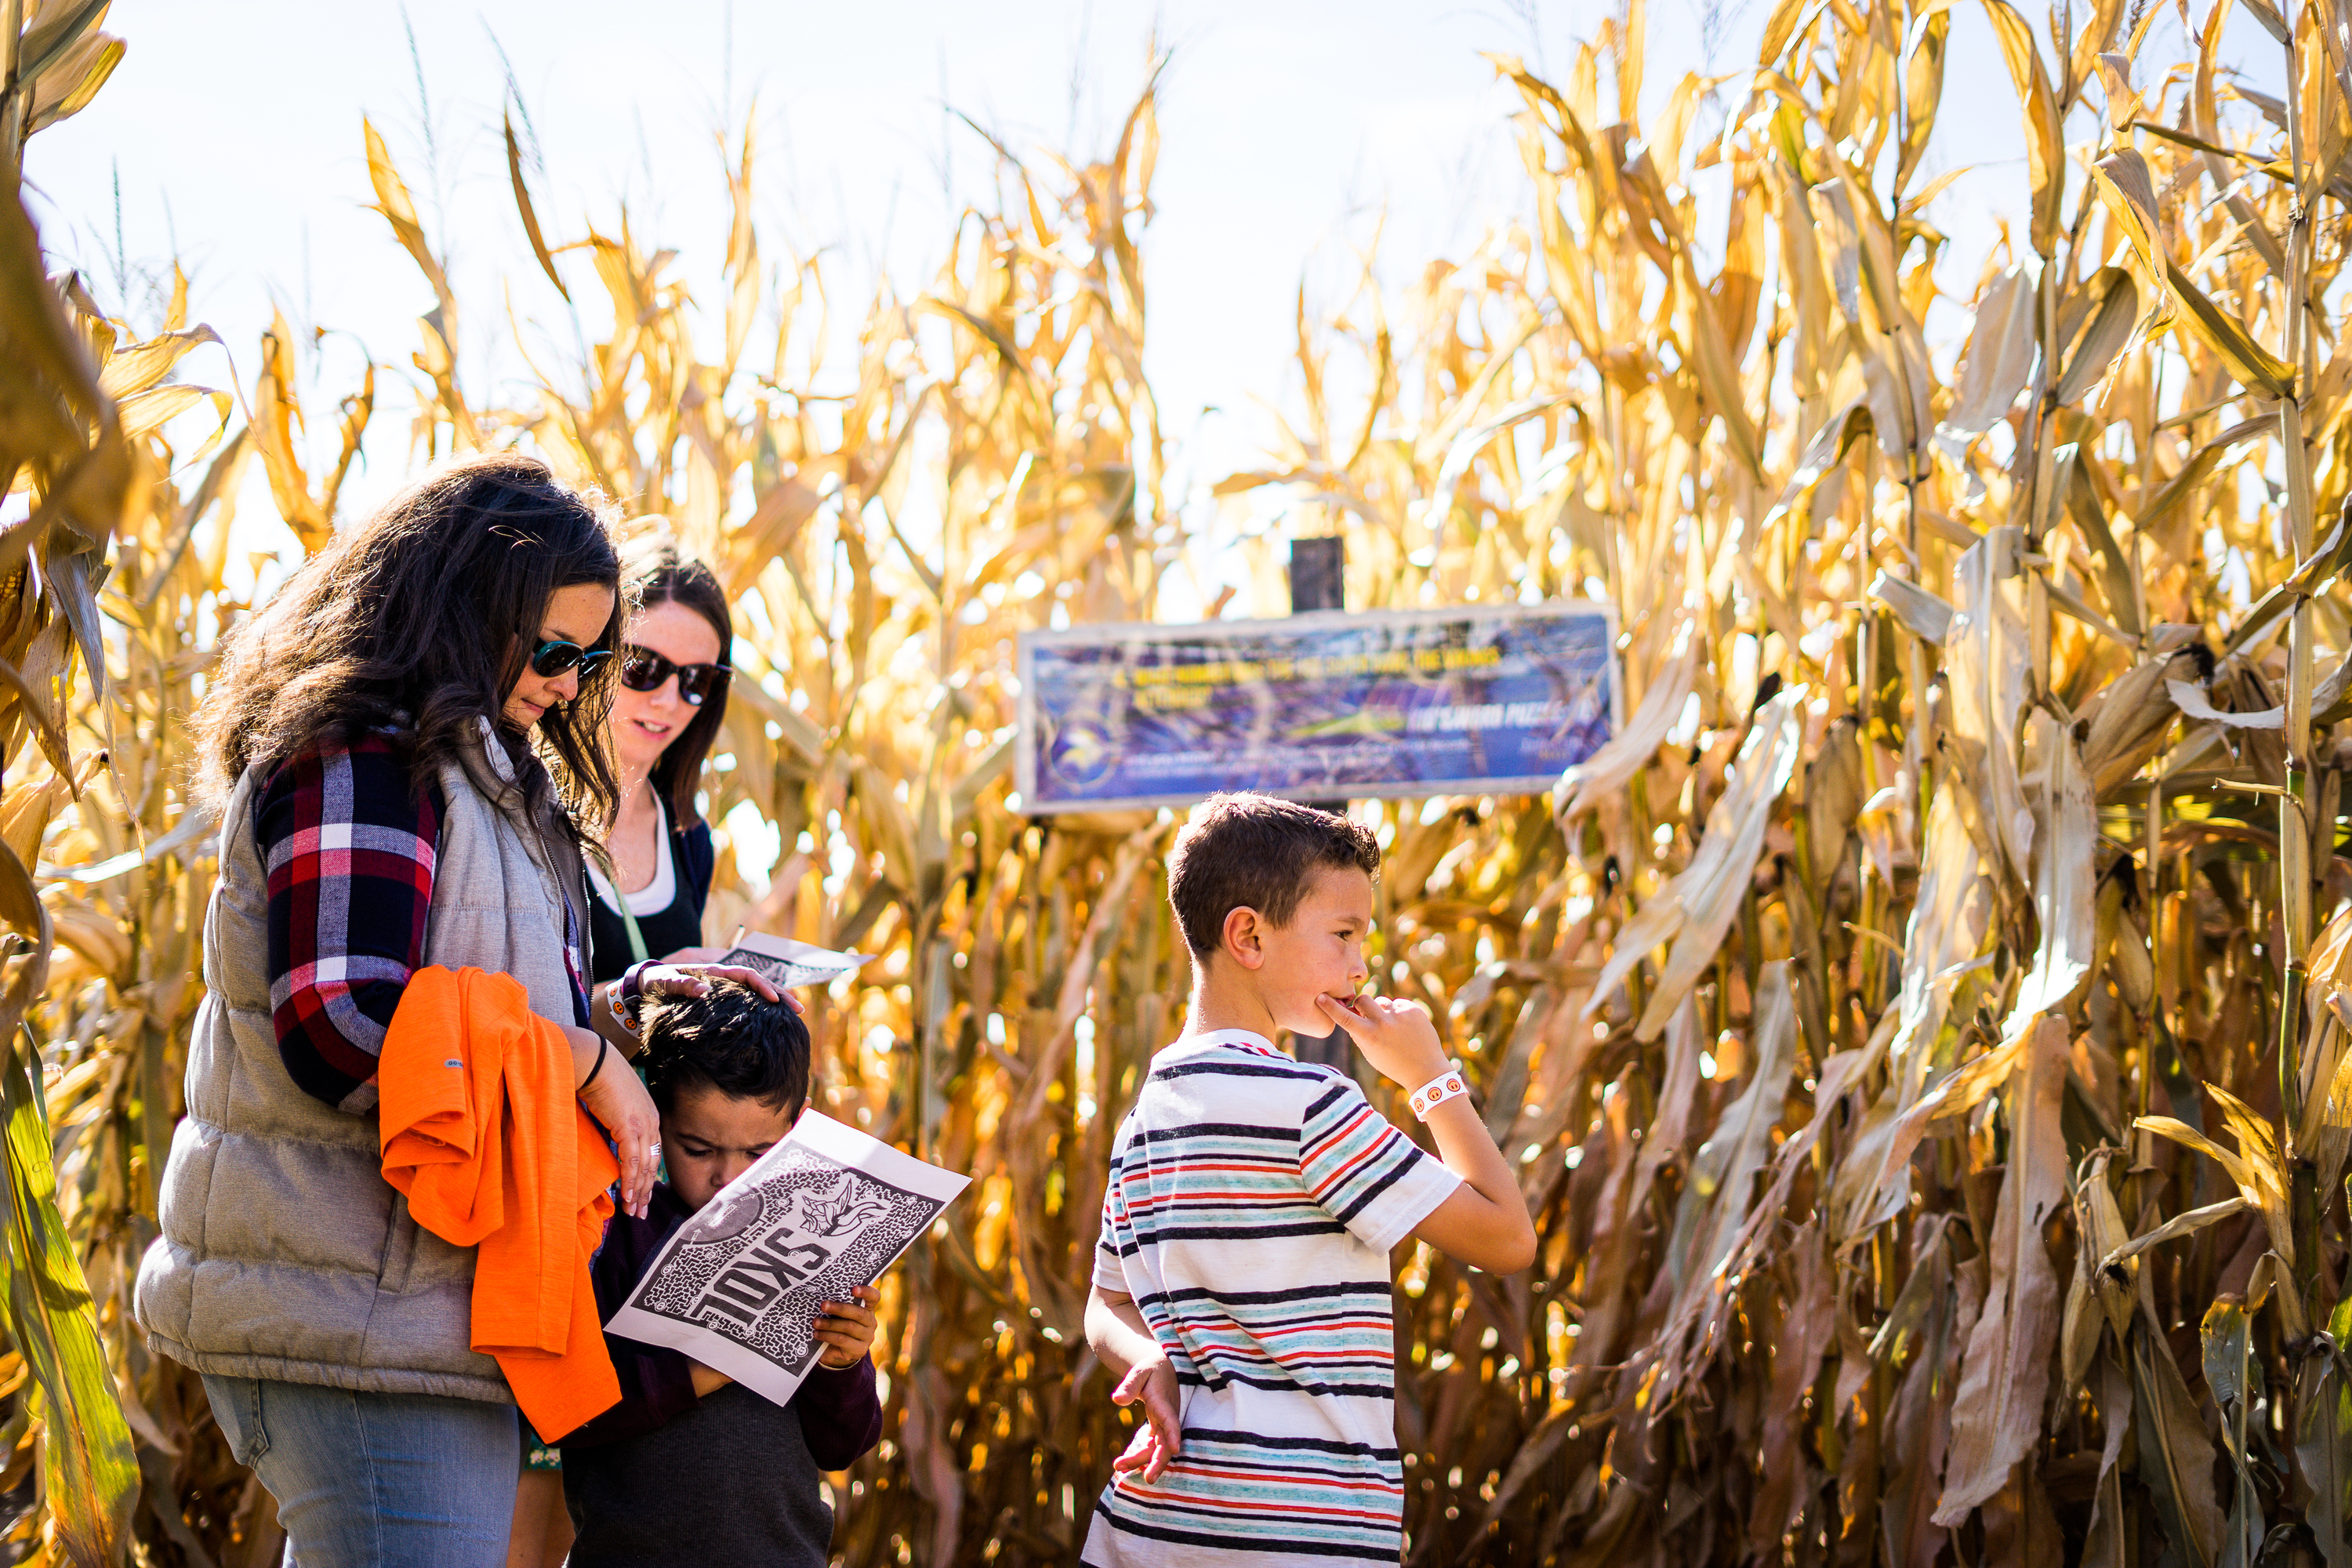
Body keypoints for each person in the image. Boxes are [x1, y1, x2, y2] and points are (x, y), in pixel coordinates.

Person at [133, 454, 777, 1568]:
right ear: (468, 609)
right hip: (362, 1310)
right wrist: (578, 1061)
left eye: (593, 657)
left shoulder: (476, 769)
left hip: (407, 1314)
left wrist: (631, 1015)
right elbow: (344, 1029)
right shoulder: (363, 754)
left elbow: (485, 1001)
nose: (574, 684)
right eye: (559, 651)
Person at [1080, 793, 1539, 1568]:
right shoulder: (1310, 1107)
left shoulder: (1146, 1115)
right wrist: (1431, 1076)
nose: (1361, 963)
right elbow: (1507, 1235)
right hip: (1302, 1532)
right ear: (1249, 935)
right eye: (1344, 933)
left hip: (1153, 1532)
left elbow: (1106, 1299)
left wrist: (1143, 1358)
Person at [509, 540, 738, 1567]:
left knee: (596, 1505)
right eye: (646, 667)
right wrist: (615, 1006)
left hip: (644, 1208)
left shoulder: (689, 837)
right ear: (596, 656)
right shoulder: (529, 806)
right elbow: (508, 997)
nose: (672, 699)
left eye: (700, 680)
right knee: (523, 1495)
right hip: (543, 1195)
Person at [560, 979, 885, 1568]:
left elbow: (843, 1445)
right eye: (699, 1148)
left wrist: (843, 1365)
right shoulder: (615, 1225)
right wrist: (711, 1364)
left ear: (799, 1128)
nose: (728, 1178)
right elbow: (574, 1412)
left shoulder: (813, 1237)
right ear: (652, 1114)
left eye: (758, 1154)